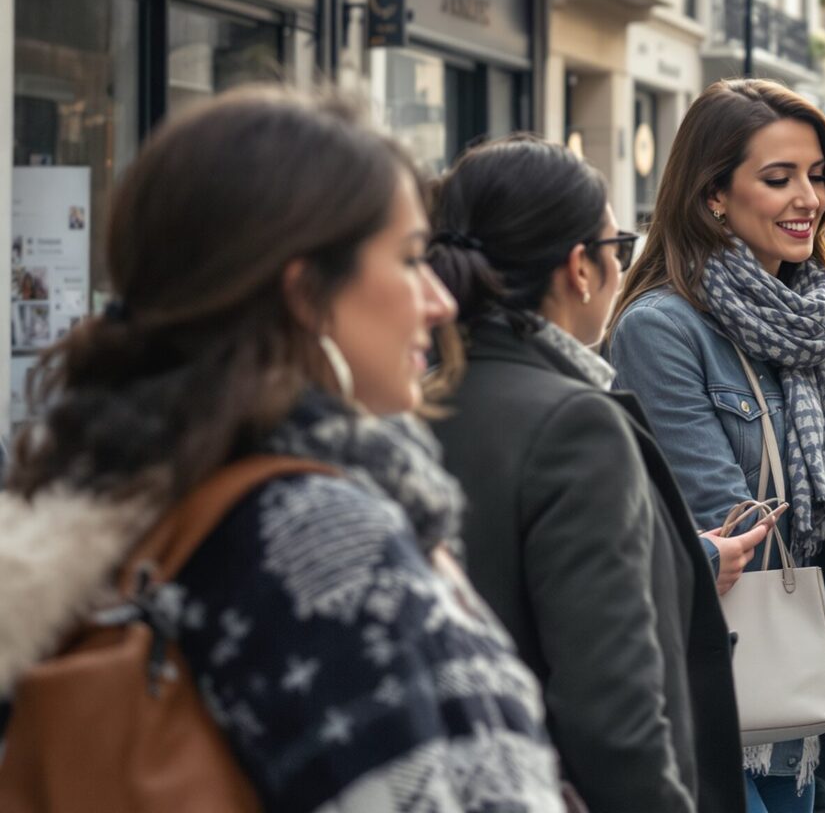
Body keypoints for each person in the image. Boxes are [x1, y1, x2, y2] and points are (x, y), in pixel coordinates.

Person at [0, 94, 565, 810]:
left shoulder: (120, 491)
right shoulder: (319, 534)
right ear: (304, 293)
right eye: (410, 257)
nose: (441, 301)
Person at [426, 137, 749, 813]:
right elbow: (614, 714)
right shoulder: (575, 424)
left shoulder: (415, 401)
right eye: (617, 248)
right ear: (579, 268)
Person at [607, 79, 825, 813]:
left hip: (805, 689)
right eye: (777, 179)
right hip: (723, 684)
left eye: (816, 176)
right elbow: (733, 524)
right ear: (713, 196)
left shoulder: (811, 317)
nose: (807, 197)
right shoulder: (662, 328)